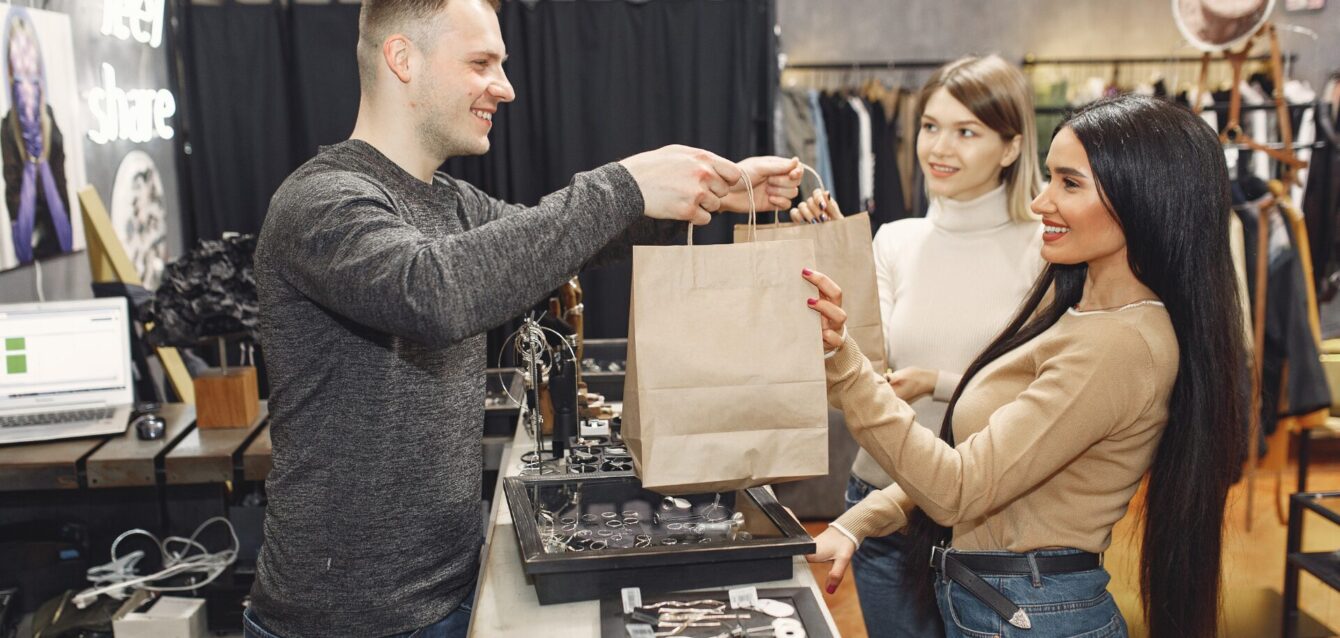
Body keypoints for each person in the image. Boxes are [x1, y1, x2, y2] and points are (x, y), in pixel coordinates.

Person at [245, 1, 802, 637]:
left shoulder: (449, 200)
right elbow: (435, 294)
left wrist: (706, 196)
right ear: (402, 58)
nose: (505, 88)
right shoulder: (321, 204)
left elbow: (556, 243)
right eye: (481, 63)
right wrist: (623, 183)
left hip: (452, 592)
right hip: (338, 623)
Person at [804, 93, 1244, 637]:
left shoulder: (1121, 345)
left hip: (1030, 616)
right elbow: (984, 466)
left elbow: (958, 488)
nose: (1040, 203)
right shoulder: (1076, 310)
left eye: (1069, 183)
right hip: (1004, 605)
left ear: (1143, 198)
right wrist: (857, 522)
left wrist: (845, 365)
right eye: (1050, 179)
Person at [791, 55, 1042, 637]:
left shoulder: (1043, 248)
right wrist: (830, 251)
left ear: (1010, 147)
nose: (939, 148)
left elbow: (1044, 393)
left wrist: (938, 382)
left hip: (983, 514)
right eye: (930, 126)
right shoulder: (896, 240)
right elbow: (857, 376)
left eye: (966, 131)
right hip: (880, 502)